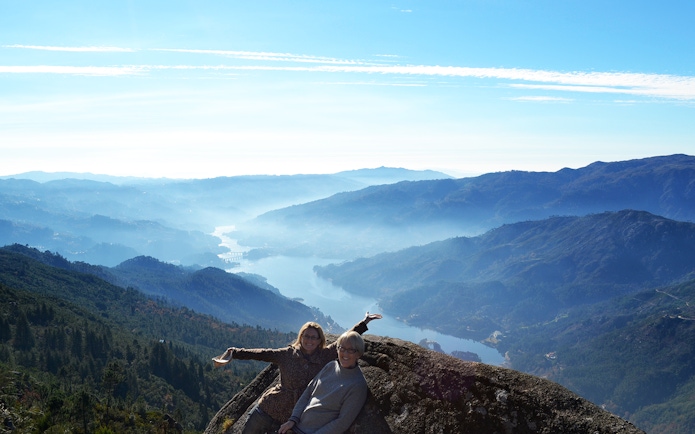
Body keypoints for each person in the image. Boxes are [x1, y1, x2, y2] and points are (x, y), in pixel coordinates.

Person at [215, 312, 381, 434]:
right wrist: (235, 352)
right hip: (268, 408)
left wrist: (364, 322)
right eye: (306, 336)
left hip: (291, 418)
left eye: (314, 337)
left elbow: (346, 342)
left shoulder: (326, 356)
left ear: (320, 340)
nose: (309, 340)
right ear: (300, 337)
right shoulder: (287, 354)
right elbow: (262, 354)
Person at [278, 331, 368, 434]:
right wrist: (292, 420)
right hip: (295, 427)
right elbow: (308, 392)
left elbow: (342, 422)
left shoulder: (357, 385)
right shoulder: (330, 366)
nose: (345, 353)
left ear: (359, 354)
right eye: (342, 348)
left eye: (351, 350)